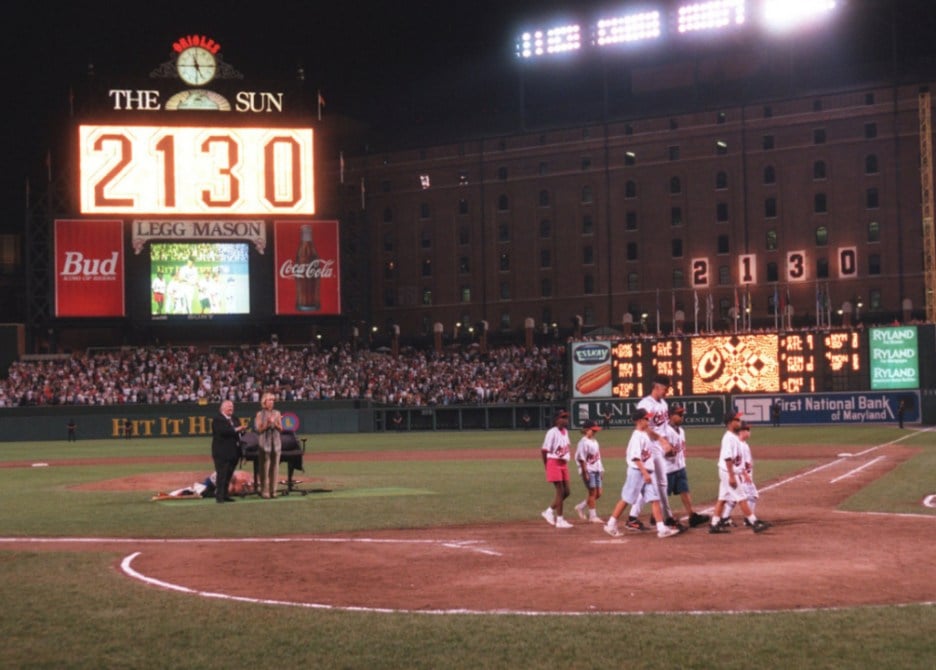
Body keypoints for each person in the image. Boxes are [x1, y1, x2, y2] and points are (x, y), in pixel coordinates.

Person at [603, 409, 681, 539]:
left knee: (654, 499)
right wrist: (645, 473)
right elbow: (635, 458)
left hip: (645, 473)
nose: (648, 420)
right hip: (637, 472)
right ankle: (610, 524)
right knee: (626, 499)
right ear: (639, 421)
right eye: (646, 418)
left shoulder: (644, 434)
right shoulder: (636, 436)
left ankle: (662, 529)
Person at [708, 412, 769, 533]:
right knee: (741, 497)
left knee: (723, 498)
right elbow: (727, 458)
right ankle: (754, 522)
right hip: (728, 472)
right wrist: (731, 476)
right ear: (730, 423)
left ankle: (714, 524)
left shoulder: (734, 437)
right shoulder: (728, 438)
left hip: (728, 472)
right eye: (737, 420)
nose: (739, 422)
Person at [628, 374, 675, 531]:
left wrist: (668, 444)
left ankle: (634, 517)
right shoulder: (646, 404)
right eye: (665, 389)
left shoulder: (664, 404)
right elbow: (646, 428)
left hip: (659, 446)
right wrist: (663, 441)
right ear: (657, 387)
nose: (666, 392)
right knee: (660, 484)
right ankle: (667, 519)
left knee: (651, 485)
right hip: (650, 446)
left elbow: (663, 427)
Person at [661, 406, 710, 528]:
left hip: (680, 467)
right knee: (663, 495)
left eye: (682, 414)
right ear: (671, 416)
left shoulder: (681, 431)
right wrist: (668, 452)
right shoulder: (665, 431)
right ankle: (659, 518)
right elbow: (661, 450)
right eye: (679, 414)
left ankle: (692, 516)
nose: (682, 417)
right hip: (667, 469)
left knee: (685, 491)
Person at [540, 409, 573, 528]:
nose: (565, 420)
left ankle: (549, 511)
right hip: (553, 462)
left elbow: (566, 446)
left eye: (566, 417)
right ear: (556, 420)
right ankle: (559, 520)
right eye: (562, 417)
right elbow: (544, 450)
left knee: (567, 492)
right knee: (560, 491)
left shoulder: (565, 431)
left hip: (563, 463)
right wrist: (546, 466)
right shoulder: (552, 432)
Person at [211, 400, 247, 504]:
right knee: (221, 474)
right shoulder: (218, 419)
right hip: (221, 452)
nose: (230, 408)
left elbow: (239, 432)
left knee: (229, 474)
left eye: (232, 406)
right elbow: (224, 431)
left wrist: (242, 431)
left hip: (234, 452)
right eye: (228, 407)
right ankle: (219, 496)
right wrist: (238, 429)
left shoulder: (234, 419)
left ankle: (226, 495)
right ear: (222, 408)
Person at [573, 419, 605, 523]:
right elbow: (581, 459)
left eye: (596, 430)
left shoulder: (595, 441)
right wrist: (585, 472)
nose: (595, 432)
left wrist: (601, 469)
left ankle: (580, 507)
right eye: (593, 430)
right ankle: (593, 516)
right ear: (587, 430)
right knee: (592, 492)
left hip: (596, 469)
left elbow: (598, 457)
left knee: (598, 493)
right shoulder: (583, 442)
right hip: (588, 470)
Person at [254, 392, 283, 499]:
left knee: (275, 467)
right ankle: (264, 491)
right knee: (264, 468)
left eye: (273, 400)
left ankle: (273, 491)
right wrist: (267, 423)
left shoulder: (277, 413)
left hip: (276, 444)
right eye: (270, 400)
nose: (272, 402)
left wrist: (274, 423)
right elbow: (259, 429)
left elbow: (281, 429)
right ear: (264, 402)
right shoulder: (259, 414)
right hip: (264, 444)